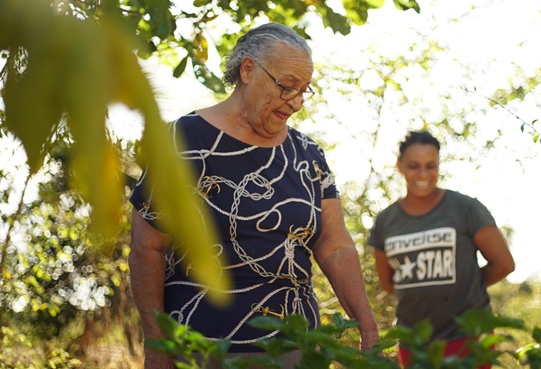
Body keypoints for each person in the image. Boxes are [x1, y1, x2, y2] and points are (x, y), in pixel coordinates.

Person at [128, 23, 378, 369]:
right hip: (203, 347)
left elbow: (334, 244)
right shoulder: (184, 140)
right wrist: (157, 347)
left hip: (294, 349)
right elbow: (147, 246)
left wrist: (366, 324)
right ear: (248, 70)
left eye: (305, 91)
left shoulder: (308, 155)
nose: (296, 103)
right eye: (287, 87)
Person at [368, 131, 515, 368]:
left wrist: (466, 286)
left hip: (468, 337)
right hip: (414, 341)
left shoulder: (465, 208)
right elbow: (388, 283)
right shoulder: (386, 220)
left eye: (431, 166)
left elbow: (504, 264)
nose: (423, 174)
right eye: (414, 166)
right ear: (399, 166)